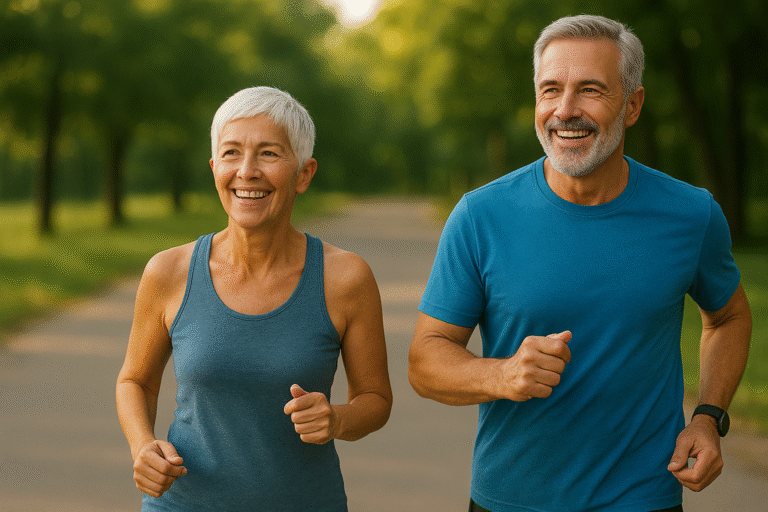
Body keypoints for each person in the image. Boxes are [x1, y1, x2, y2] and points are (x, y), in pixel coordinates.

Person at [409, 14, 752, 512]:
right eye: (550, 90)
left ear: (632, 105)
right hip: (511, 499)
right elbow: (425, 362)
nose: (565, 111)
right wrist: (501, 375)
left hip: (644, 498)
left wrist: (708, 416)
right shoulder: (480, 216)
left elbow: (728, 316)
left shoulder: (691, 214)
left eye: (590, 90)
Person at [116, 86, 392, 511]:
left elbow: (375, 400)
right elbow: (135, 381)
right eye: (231, 153)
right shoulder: (168, 272)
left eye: (268, 153)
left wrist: (337, 419)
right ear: (214, 168)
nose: (247, 171)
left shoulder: (346, 278)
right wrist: (142, 446)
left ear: (304, 173)